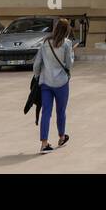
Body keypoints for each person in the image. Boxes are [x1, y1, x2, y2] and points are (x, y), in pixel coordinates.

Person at [33, 17, 74, 154]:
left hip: (45, 82)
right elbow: (69, 64)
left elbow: (37, 64)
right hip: (61, 82)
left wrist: (37, 76)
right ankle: (61, 137)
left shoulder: (45, 43)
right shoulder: (67, 44)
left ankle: (44, 143)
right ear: (67, 30)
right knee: (60, 111)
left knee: (46, 112)